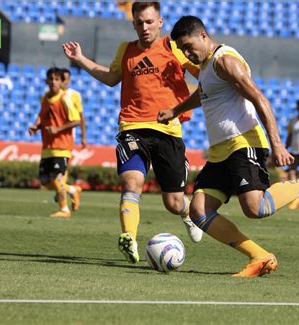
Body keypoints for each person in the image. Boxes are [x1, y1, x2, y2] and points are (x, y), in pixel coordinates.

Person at [158, 16, 299, 278]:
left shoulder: (225, 60)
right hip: (221, 150)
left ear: (203, 36)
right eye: (182, 50)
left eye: (189, 46)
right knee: (199, 210)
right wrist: (176, 109)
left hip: (244, 142)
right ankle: (260, 256)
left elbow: (259, 98)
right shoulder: (208, 66)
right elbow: (204, 94)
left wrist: (277, 145)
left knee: (256, 209)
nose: (187, 54)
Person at [62, 1, 202, 263]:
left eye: (149, 22)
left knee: (173, 202)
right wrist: (80, 59)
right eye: (139, 22)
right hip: (132, 127)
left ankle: (186, 214)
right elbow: (111, 77)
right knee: (131, 182)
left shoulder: (174, 47)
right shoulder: (125, 50)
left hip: (167, 130)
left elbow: (202, 70)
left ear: (160, 22)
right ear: (133, 24)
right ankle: (129, 238)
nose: (144, 27)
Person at [28, 68, 81, 218]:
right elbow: (42, 116)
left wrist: (58, 129)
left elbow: (76, 120)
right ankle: (72, 190)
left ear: (61, 82)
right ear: (47, 81)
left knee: (57, 180)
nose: (53, 82)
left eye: (57, 79)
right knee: (45, 182)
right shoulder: (45, 98)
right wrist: (36, 127)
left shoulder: (64, 98)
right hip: (47, 146)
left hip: (62, 145)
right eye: (51, 79)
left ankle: (64, 209)